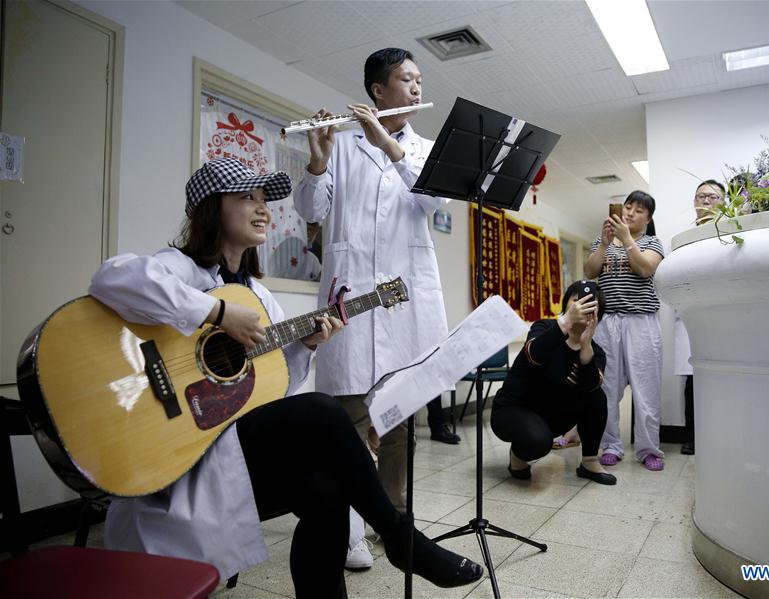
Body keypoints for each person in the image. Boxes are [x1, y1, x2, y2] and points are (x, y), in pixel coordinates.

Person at [91, 158, 482, 598]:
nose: (263, 209)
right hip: (178, 457)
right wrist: (216, 312)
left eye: (264, 200)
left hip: (226, 450)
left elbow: (272, 387)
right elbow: (111, 277)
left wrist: (307, 345)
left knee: (327, 491)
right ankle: (401, 537)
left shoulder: (257, 298)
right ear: (210, 208)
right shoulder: (179, 269)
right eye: (247, 198)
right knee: (322, 408)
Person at [294, 47, 450, 567]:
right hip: (352, 292)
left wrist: (388, 144)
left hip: (405, 296)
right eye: (406, 79)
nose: (416, 88)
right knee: (350, 415)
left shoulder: (426, 149)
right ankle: (350, 528)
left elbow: (433, 203)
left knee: (399, 415)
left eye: (419, 80)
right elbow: (312, 211)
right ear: (377, 91)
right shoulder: (340, 145)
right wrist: (317, 158)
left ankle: (395, 518)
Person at [491, 281, 616, 485]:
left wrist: (585, 346)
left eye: (590, 305)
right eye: (577, 301)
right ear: (567, 304)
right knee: (538, 442)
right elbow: (534, 355)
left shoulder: (595, 351)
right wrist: (566, 322)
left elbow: (590, 385)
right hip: (513, 409)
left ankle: (590, 461)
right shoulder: (545, 327)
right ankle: (518, 455)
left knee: (597, 395)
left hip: (551, 414)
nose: (582, 307)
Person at [584, 191, 666, 471]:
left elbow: (645, 269)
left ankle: (649, 449)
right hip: (607, 323)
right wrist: (604, 245)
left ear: (648, 218)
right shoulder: (603, 241)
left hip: (641, 321)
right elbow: (589, 271)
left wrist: (627, 239)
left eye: (639, 210)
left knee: (646, 389)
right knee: (606, 388)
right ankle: (611, 446)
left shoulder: (652, 242)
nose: (630, 213)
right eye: (628, 207)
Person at [676, 179, 727, 455]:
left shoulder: (731, 231)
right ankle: (692, 437)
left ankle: (723, 434)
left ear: (723, 202)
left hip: (723, 315)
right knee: (693, 382)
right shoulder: (685, 237)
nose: (705, 201)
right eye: (700, 196)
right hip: (693, 315)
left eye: (712, 196)